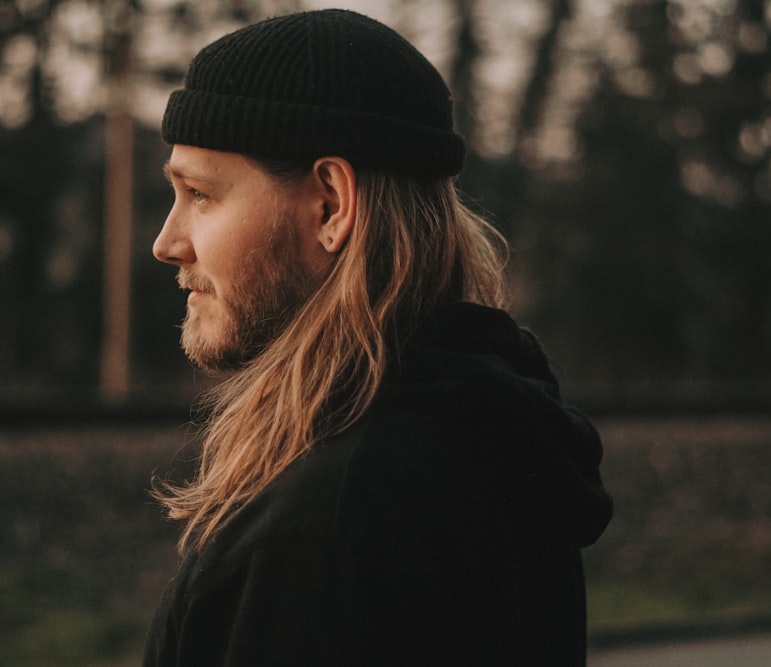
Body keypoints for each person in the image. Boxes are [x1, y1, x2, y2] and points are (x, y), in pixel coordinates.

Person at [143, 8, 612, 666]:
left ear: (331, 204)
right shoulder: (491, 442)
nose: (167, 242)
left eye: (200, 194)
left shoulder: (326, 529)